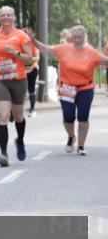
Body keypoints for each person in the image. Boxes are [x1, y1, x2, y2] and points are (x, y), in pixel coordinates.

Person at [30, 25, 108, 156]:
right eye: (75, 37)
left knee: (83, 119)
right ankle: (71, 136)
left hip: (85, 89)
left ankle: (81, 146)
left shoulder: (91, 52)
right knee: (68, 118)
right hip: (67, 88)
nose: (77, 40)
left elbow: (106, 61)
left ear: (85, 37)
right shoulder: (64, 49)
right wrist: (33, 40)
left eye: (80, 37)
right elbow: (46, 49)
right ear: (71, 38)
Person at [0, 6, 36, 167]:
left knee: (19, 116)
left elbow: (30, 59)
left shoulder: (21, 36)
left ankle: (20, 141)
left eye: (9, 15)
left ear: (14, 18)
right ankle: (3, 154)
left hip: (18, 79)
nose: (6, 18)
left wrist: (15, 53)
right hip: (0, 79)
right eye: (3, 15)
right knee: (3, 116)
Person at [22, 27, 40, 117]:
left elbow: (37, 57)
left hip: (32, 68)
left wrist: (28, 59)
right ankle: (17, 110)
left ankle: (32, 109)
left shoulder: (33, 44)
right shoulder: (19, 44)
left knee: (31, 88)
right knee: (19, 89)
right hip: (21, 69)